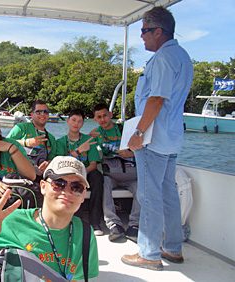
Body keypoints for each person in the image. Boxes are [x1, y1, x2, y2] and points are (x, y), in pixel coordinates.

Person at [0, 156, 99, 281]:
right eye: (59, 184)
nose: (67, 191)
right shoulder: (9, 222)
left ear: (83, 195)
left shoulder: (84, 233)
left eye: (76, 187)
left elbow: (76, 278)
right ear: (43, 187)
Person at [121, 6, 194, 271]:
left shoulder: (163, 58)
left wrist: (138, 133)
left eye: (144, 31)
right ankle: (173, 249)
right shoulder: (183, 56)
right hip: (172, 138)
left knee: (149, 195)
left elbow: (156, 98)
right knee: (168, 192)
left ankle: (149, 254)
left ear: (158, 31)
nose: (141, 37)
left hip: (153, 138)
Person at [92, 103, 141, 242]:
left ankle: (134, 224)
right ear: (95, 119)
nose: (103, 119)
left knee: (141, 188)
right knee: (104, 184)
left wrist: (131, 153)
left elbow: (143, 145)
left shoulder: (125, 129)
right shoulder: (95, 133)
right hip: (111, 174)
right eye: (99, 117)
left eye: (105, 116)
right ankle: (114, 224)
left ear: (110, 115)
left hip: (131, 173)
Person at [56, 109, 104, 236]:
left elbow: (93, 164)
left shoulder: (89, 140)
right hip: (67, 174)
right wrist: (78, 151)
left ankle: (95, 222)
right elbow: (61, 163)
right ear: (67, 121)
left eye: (80, 121)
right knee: (68, 181)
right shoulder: (60, 142)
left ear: (83, 124)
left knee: (98, 178)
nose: (76, 124)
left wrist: (82, 174)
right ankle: (72, 220)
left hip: (86, 173)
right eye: (73, 120)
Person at [7, 100, 57, 179]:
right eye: (38, 112)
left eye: (45, 112)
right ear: (32, 115)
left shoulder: (51, 138)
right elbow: (4, 143)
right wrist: (26, 142)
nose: (42, 114)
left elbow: (52, 158)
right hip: (17, 175)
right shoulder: (21, 128)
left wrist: (48, 163)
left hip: (38, 177)